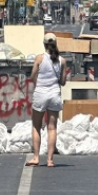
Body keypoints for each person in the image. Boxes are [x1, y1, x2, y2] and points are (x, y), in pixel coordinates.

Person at [27, 33, 67, 168]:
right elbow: (63, 82)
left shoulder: (39, 58)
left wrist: (38, 81)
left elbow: (32, 76)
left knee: (36, 126)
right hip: (54, 95)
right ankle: (50, 160)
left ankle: (36, 157)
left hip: (41, 94)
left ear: (44, 44)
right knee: (52, 128)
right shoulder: (62, 61)